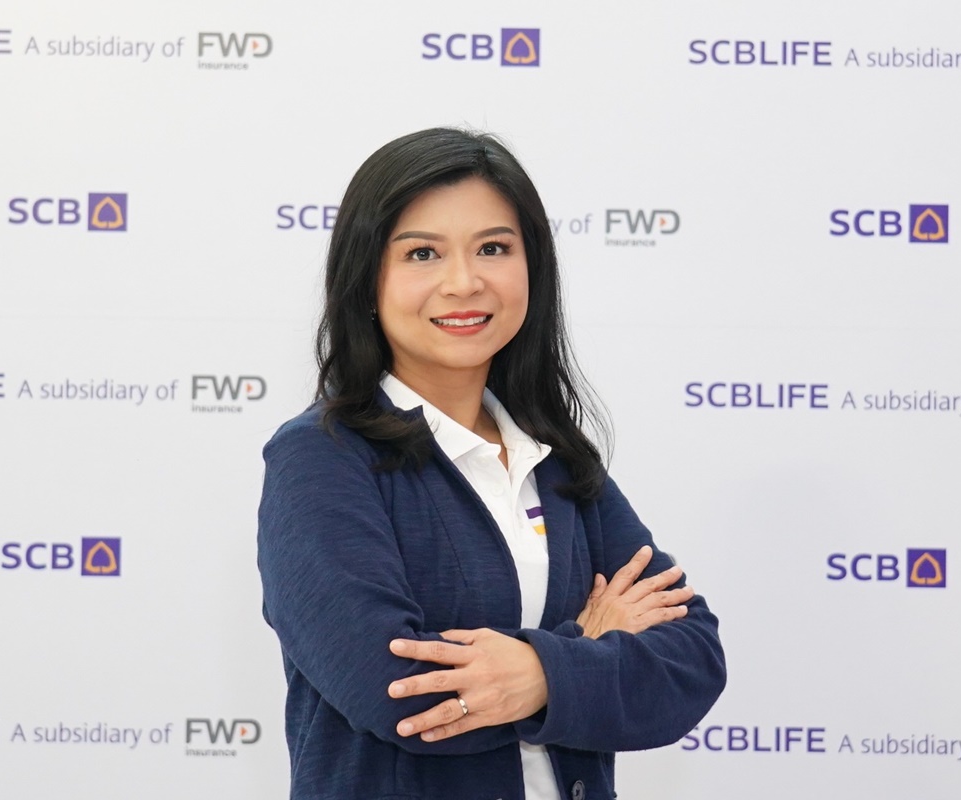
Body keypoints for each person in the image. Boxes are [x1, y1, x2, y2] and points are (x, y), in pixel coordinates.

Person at [258, 128, 725, 800]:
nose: (464, 282)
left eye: (494, 249)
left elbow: (692, 658)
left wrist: (537, 671)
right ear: (367, 280)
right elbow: (400, 694)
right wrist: (584, 645)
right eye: (422, 253)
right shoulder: (321, 458)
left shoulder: (554, 456)